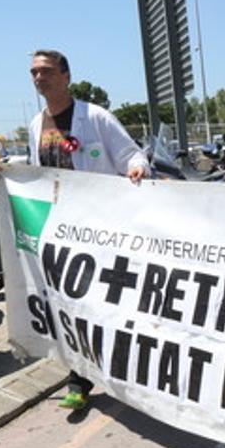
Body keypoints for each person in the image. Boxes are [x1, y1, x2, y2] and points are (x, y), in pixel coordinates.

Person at [26, 49, 150, 410]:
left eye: (46, 71)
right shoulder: (37, 125)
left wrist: (137, 169)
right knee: (70, 305)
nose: (38, 78)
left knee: (110, 304)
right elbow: (38, 174)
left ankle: (125, 371)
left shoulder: (95, 117)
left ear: (66, 75)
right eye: (33, 72)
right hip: (63, 231)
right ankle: (78, 378)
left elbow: (132, 154)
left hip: (103, 229)